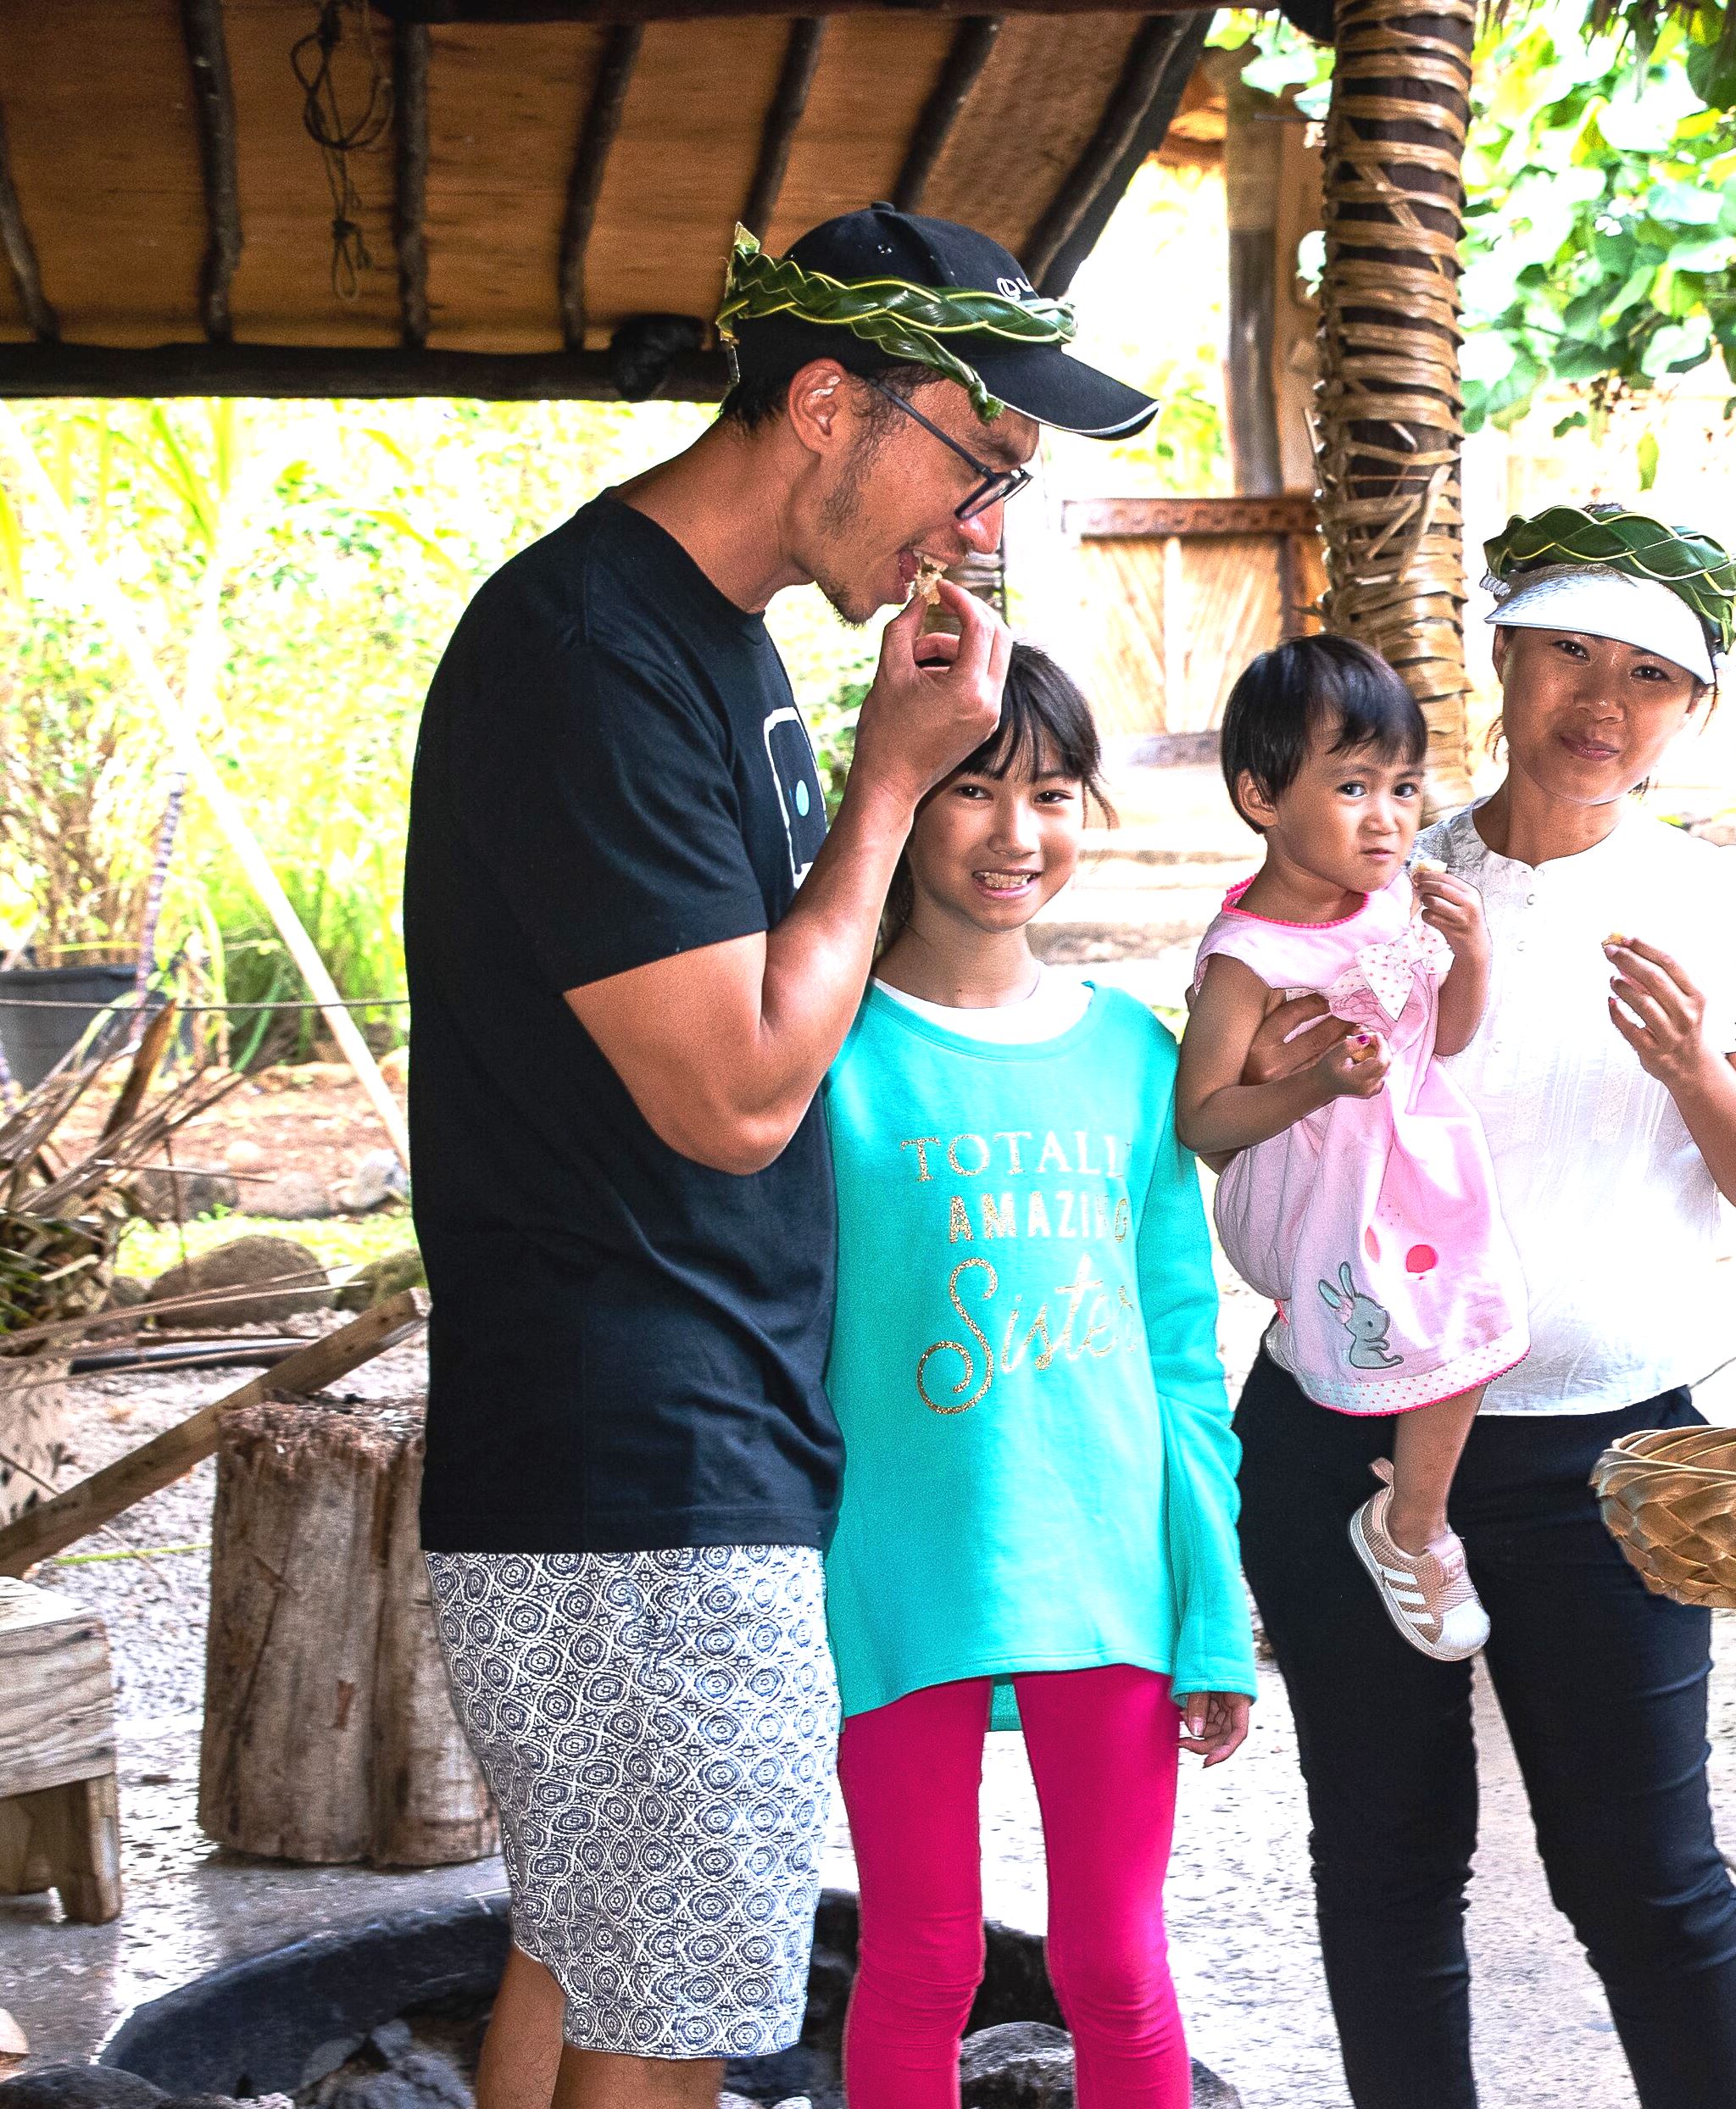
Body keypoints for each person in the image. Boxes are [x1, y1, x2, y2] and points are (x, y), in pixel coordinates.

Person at [403, 204, 1166, 2109]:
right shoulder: (589, 650)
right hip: (644, 1462)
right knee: (659, 2029)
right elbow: (737, 1090)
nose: (982, 526)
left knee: (581, 1960)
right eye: (978, 461)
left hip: (644, 1449)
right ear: (826, 401)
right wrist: (897, 774)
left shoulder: (709, 646)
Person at [1229, 503, 1736, 2107]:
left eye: (1651, 674)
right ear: (1499, 652)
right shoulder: (1370, 869)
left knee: (1643, 1874)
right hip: (1343, 1437)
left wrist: (1693, 1070)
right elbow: (1241, 1165)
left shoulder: (1725, 908)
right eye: (1569, 648)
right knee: (1382, 1856)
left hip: (1603, 1462)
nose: (1602, 699)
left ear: (1691, 712)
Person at [822, 648, 1253, 2109]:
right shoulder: (825, 1055)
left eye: (1050, 792)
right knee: (922, 1954)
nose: (1015, 834)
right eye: (970, 788)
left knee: (1115, 1960)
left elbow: (1183, 1356)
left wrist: (1212, 1607)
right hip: (892, 1568)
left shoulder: (1133, 1057)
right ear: (896, 801)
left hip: (1107, 1568)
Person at [1176, 634, 1524, 1661]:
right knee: (1439, 1305)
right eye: (1353, 786)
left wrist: (1471, 954)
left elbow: (1442, 1036)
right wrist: (1312, 1082)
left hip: (1402, 1168)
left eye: (1405, 785)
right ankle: (1410, 1523)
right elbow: (1201, 1120)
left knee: (1481, 1306)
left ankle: (1409, 1519)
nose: (1389, 816)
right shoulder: (1250, 956)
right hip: (1305, 1187)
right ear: (1261, 795)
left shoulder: (1397, 899)